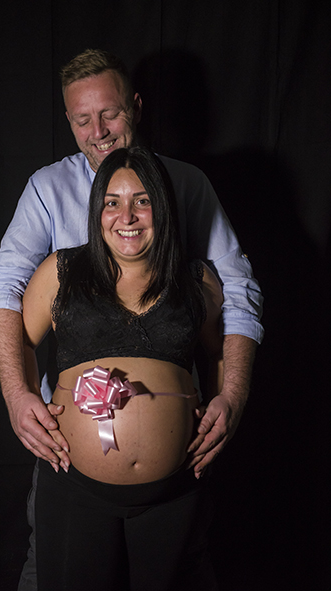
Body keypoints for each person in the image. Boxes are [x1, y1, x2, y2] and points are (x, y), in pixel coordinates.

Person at [0, 49, 263, 589]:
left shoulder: (189, 189)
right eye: (82, 119)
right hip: (74, 464)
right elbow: (4, 288)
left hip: (176, 477)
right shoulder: (49, 199)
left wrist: (234, 394)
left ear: (135, 107)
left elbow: (238, 298)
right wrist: (18, 396)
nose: (99, 130)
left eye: (109, 113)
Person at [22, 146, 223, 590]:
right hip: (76, 492)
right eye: (112, 202)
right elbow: (19, 338)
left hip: (174, 495)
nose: (126, 216)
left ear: (163, 207)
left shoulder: (196, 280)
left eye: (142, 200)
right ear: (97, 211)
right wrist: (22, 397)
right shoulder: (61, 271)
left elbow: (222, 349)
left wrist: (220, 404)